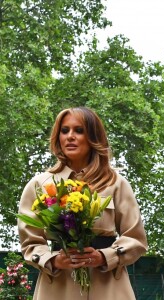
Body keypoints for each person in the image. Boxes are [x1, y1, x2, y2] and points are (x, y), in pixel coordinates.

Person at [18, 107, 148, 300]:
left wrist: (105, 256)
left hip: (108, 287)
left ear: (93, 137)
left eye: (79, 130)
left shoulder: (116, 184)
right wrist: (54, 260)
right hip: (58, 288)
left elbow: (136, 239)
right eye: (65, 131)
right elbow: (30, 243)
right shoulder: (39, 186)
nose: (70, 136)